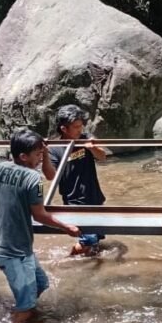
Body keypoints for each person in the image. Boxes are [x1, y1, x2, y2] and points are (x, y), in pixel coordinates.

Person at [0, 129, 81, 323]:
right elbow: (39, 215)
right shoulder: (35, 180)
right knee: (26, 305)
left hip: (18, 248)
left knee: (41, 283)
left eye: (42, 153)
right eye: (38, 154)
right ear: (23, 156)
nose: (41, 158)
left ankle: (24, 306)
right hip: (11, 253)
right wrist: (67, 227)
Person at [48, 104, 108, 256]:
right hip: (74, 201)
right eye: (76, 127)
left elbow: (102, 156)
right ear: (64, 128)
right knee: (88, 242)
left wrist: (93, 148)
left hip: (94, 196)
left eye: (81, 126)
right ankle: (66, 261)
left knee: (95, 240)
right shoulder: (54, 148)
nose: (80, 130)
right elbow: (50, 177)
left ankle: (87, 262)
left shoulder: (85, 138)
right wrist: (43, 156)